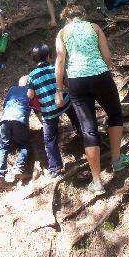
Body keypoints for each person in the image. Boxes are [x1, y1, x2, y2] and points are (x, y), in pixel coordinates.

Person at [55, 4, 129, 195]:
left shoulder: (62, 33)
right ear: (83, 15)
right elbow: (107, 56)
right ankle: (116, 160)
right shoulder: (95, 27)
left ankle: (97, 182)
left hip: (76, 80)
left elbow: (60, 60)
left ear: (66, 17)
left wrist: (59, 89)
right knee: (115, 114)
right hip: (100, 76)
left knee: (88, 129)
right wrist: (106, 68)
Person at [27, 43, 81, 178]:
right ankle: (81, 131)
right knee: (75, 115)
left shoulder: (32, 75)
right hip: (65, 103)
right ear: (48, 56)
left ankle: (55, 168)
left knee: (50, 138)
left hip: (49, 111)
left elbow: (30, 95)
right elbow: (67, 83)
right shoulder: (54, 68)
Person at [0, 75, 31, 190]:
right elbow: (36, 108)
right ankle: (19, 167)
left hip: (5, 119)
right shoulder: (30, 91)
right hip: (19, 119)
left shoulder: (12, 89)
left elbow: (5, 105)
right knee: (24, 144)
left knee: (3, 147)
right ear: (28, 83)